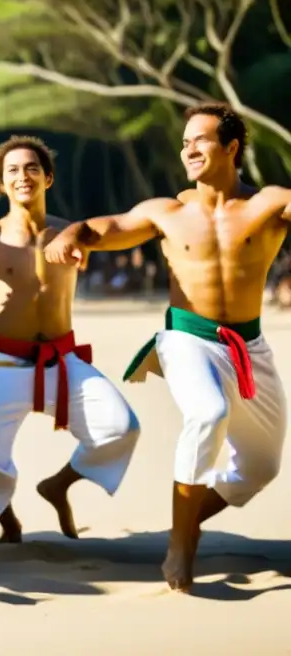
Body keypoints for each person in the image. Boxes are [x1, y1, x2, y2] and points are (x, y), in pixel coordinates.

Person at [45, 102, 288, 592]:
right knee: (209, 414)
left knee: (261, 468)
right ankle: (182, 545)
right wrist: (70, 235)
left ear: (231, 147)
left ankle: (189, 518)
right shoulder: (167, 212)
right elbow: (102, 229)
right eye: (184, 142)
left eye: (200, 139)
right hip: (186, 339)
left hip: (248, 346)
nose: (189, 149)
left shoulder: (268, 204)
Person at [0, 136, 140, 544]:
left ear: (48, 177)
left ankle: (59, 484)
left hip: (62, 358)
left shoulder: (71, 234)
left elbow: (114, 227)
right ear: (1, 184)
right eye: (13, 171)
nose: (23, 176)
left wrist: (74, 234)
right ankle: (9, 523)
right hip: (3, 360)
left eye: (32, 168)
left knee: (121, 428)